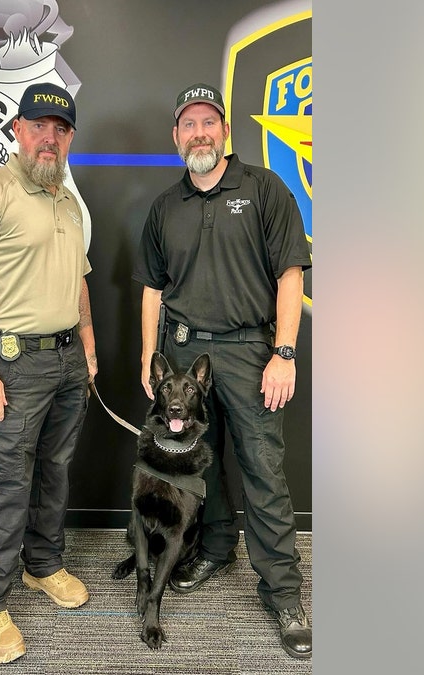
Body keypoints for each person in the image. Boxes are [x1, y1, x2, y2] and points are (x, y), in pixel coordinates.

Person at [133, 82, 313, 659]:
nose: (200, 133)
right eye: (189, 124)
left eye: (209, 122)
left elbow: (291, 273)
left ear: (226, 132)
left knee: (263, 470)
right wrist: (147, 359)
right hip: (182, 357)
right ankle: (214, 549)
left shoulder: (264, 189)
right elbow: (152, 288)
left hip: (250, 352)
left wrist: (284, 352)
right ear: (176, 137)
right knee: (194, 468)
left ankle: (284, 591)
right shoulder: (166, 206)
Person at [0, 82, 97, 664]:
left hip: (66, 360)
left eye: (60, 129)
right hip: (12, 363)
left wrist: (89, 348)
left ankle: (43, 564)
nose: (49, 138)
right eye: (38, 126)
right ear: (18, 131)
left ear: (70, 137)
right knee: (6, 483)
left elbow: (78, 282)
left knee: (55, 469)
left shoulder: (68, 203)